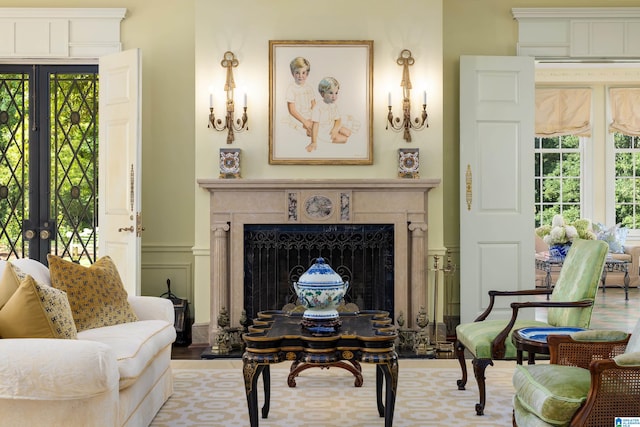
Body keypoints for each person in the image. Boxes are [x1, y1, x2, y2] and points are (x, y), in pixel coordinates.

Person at [308, 76, 351, 152]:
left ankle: (336, 132)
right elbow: (316, 125)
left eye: (336, 93)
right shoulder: (318, 107)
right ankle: (311, 133)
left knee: (348, 133)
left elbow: (338, 119)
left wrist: (335, 129)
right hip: (323, 131)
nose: (334, 96)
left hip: (332, 126)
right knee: (344, 139)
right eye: (331, 93)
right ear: (322, 94)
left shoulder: (333, 105)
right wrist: (313, 142)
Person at [284, 57, 315, 137]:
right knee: (313, 131)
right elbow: (292, 110)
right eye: (297, 72)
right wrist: (305, 121)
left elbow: (313, 105)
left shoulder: (309, 88)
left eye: (303, 73)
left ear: (307, 73)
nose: (300, 76)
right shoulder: (291, 88)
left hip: (309, 115)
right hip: (298, 117)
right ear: (292, 73)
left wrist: (314, 117)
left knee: (321, 124)